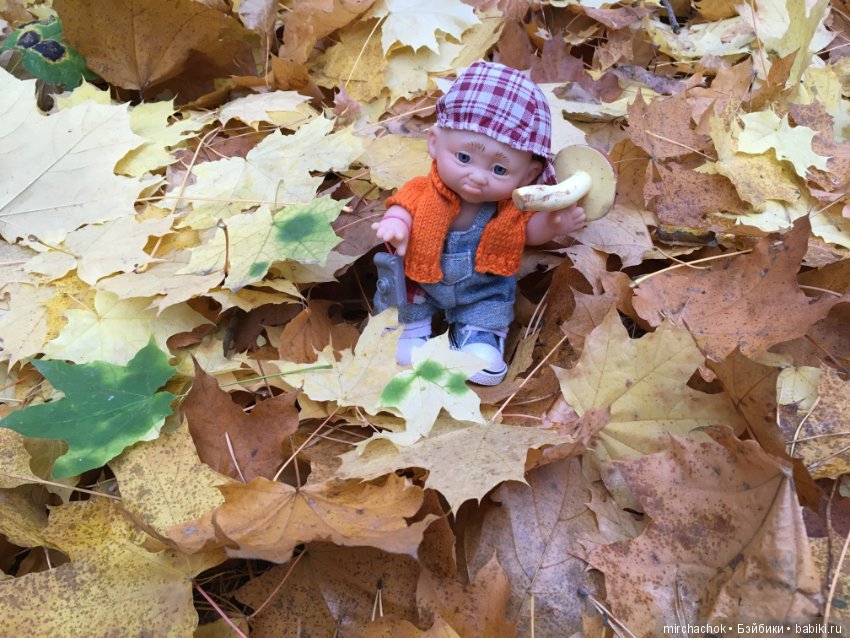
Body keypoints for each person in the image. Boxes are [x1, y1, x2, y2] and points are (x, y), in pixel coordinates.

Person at [372, 61, 586, 385]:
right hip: (424, 279)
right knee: (409, 297)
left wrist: (554, 224)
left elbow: (528, 233)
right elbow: (403, 207)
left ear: (528, 175)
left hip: (480, 287)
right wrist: (396, 225)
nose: (477, 176)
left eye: (499, 170)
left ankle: (478, 336)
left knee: (490, 304)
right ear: (434, 142)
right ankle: (411, 331)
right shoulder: (422, 189)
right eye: (464, 158)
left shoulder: (511, 209)